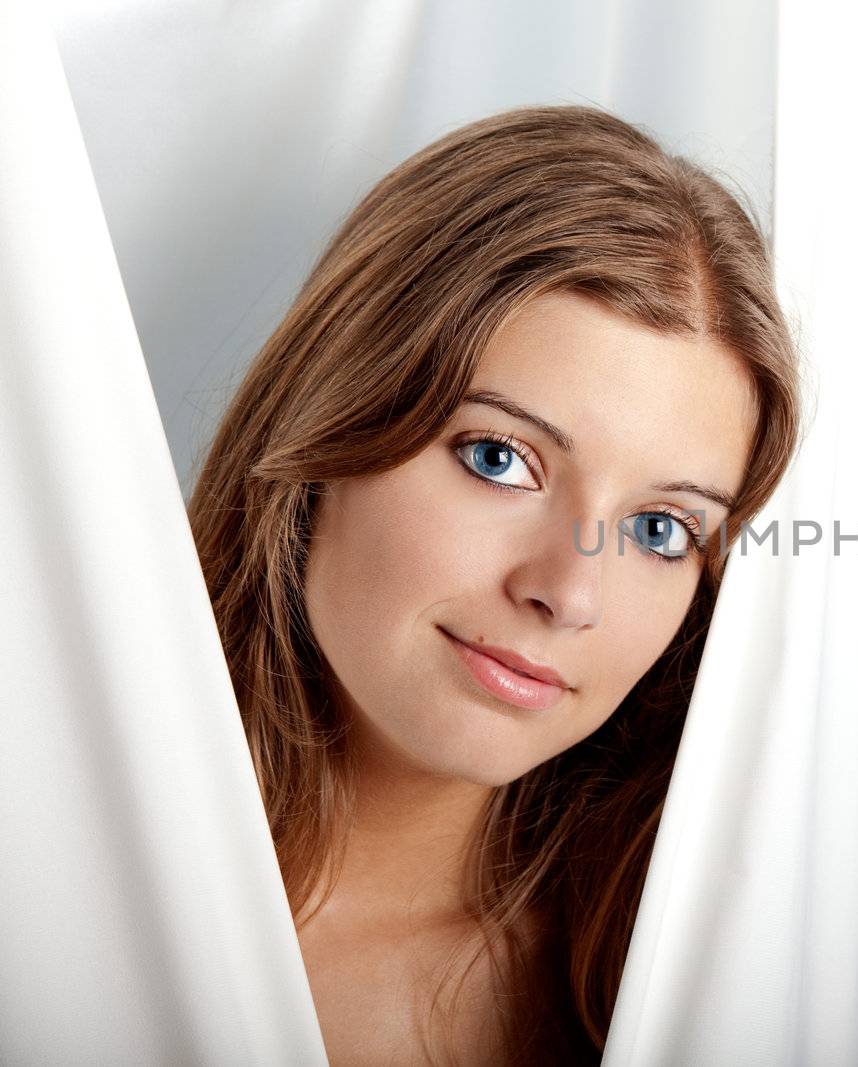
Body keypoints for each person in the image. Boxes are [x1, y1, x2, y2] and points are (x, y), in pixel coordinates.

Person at [186, 104, 801, 1065]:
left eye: (659, 528)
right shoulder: (52, 879)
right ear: (328, 419)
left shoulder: (704, 987)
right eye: (498, 457)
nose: (570, 591)